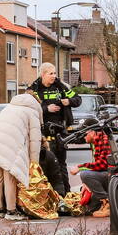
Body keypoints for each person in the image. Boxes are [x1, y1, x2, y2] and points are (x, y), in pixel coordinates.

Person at [0, 92, 42, 221]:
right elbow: (35, 140)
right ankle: (11, 210)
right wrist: (34, 163)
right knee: (10, 176)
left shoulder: (9, 107)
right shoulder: (32, 111)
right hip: (10, 144)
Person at [28, 62, 81, 195]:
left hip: (60, 132)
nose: (54, 76)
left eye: (55, 73)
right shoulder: (33, 89)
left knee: (61, 164)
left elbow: (77, 99)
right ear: (43, 74)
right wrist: (46, 109)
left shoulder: (60, 86)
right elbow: (28, 108)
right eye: (51, 73)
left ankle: (66, 194)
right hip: (42, 133)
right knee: (45, 165)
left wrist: (68, 101)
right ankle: (47, 196)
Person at [71, 127, 114, 217]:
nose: (83, 137)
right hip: (106, 175)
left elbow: (102, 165)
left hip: (111, 176)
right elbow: (96, 165)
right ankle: (102, 203)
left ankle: (107, 203)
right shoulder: (95, 141)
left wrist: (80, 167)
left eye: (85, 134)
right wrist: (86, 183)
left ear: (92, 132)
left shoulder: (103, 140)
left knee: (85, 175)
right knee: (90, 209)